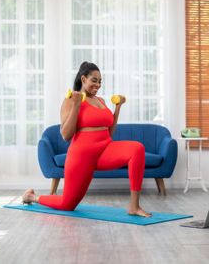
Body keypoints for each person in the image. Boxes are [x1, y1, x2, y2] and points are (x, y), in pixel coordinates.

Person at [22, 62, 151, 217]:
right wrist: (77, 104)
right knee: (67, 205)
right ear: (83, 79)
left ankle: (134, 206)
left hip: (104, 149)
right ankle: (32, 197)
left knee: (137, 148)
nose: (97, 85)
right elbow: (66, 135)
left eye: (100, 81)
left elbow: (109, 133)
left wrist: (117, 108)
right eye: (94, 80)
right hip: (82, 157)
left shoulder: (101, 101)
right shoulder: (71, 99)